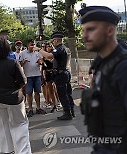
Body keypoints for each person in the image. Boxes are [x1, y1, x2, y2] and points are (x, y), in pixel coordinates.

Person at [79, 6, 127, 154]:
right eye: (83, 30)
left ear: (110, 31)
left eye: (91, 29)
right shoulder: (103, 62)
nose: (84, 35)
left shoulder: (123, 67)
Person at [39, 32, 75, 120]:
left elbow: (49, 55)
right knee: (68, 94)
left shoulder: (59, 49)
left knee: (62, 94)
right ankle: (71, 111)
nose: (53, 43)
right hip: (66, 72)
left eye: (54, 40)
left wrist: (39, 50)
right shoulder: (66, 48)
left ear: (56, 40)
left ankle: (67, 113)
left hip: (61, 74)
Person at [19, 39, 46, 117]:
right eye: (31, 44)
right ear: (28, 45)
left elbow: (42, 61)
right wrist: (23, 62)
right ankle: (30, 109)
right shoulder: (23, 53)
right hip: (28, 76)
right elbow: (19, 64)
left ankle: (38, 107)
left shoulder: (38, 52)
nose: (33, 46)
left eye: (34, 44)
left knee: (37, 92)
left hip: (37, 74)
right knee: (29, 93)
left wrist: (40, 62)